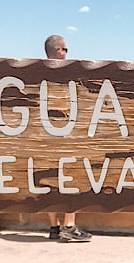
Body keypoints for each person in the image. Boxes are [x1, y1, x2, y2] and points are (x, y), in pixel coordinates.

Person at [43, 34, 91, 242]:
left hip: (43, 134)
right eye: (65, 50)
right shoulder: (67, 73)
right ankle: (69, 226)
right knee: (72, 176)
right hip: (65, 132)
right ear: (60, 51)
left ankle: (53, 227)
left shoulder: (37, 71)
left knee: (48, 180)